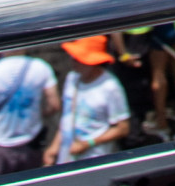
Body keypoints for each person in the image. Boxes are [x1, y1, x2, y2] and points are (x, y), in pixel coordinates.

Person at [0, 52, 59, 177]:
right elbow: (54, 105)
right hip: (31, 141)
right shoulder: (40, 67)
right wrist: (38, 114)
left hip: (0, 144)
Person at [46, 37, 129, 166]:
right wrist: (54, 148)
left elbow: (123, 128)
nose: (73, 62)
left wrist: (88, 143)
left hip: (94, 161)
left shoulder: (110, 87)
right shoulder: (72, 78)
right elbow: (67, 117)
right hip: (66, 159)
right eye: (73, 57)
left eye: (78, 59)